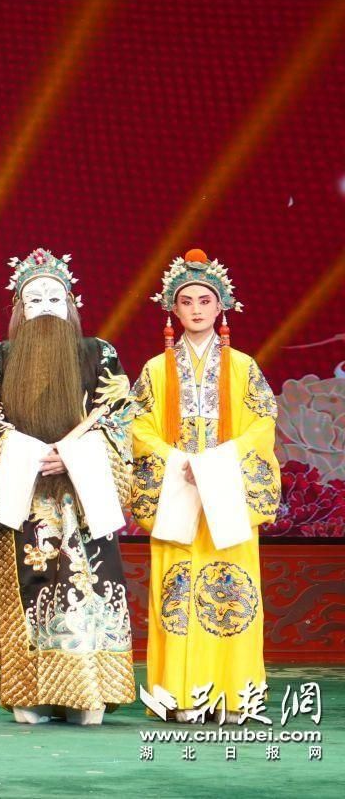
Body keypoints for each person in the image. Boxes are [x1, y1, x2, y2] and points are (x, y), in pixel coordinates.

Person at [0, 248, 136, 725]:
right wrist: (28, 453)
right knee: (30, 590)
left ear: (70, 304)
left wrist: (72, 455)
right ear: (19, 309)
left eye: (53, 298)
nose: (44, 307)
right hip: (24, 496)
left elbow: (119, 419)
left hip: (83, 497)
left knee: (88, 589)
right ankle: (31, 694)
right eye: (34, 299)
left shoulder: (98, 355)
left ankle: (89, 693)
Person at [127, 250, 281, 723]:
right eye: (187, 301)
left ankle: (234, 697)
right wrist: (180, 462)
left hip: (227, 494)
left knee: (231, 594)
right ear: (173, 310)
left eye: (205, 300)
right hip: (177, 492)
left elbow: (262, 424)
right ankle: (178, 697)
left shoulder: (244, 367)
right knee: (176, 594)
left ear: (221, 307)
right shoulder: (156, 369)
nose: (196, 309)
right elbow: (138, 427)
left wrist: (214, 463)